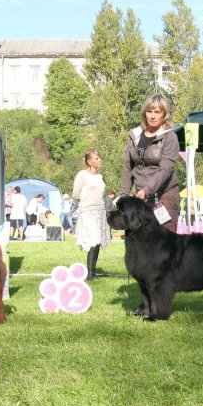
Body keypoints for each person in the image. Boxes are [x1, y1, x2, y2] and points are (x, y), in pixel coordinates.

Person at [120, 94, 181, 232]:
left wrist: (146, 190)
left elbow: (165, 169)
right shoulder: (134, 135)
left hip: (165, 197)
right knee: (139, 243)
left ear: (164, 114)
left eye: (157, 112)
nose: (153, 116)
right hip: (140, 199)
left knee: (163, 245)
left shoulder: (169, 137)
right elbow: (128, 168)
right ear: (144, 113)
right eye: (149, 111)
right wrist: (124, 198)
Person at [72, 149, 111, 281]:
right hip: (88, 211)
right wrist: (86, 202)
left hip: (100, 211)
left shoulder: (100, 177)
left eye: (99, 158)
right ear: (89, 161)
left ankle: (92, 273)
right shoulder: (82, 175)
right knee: (93, 240)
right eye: (96, 159)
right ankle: (90, 274)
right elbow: (75, 194)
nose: (99, 160)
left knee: (98, 241)